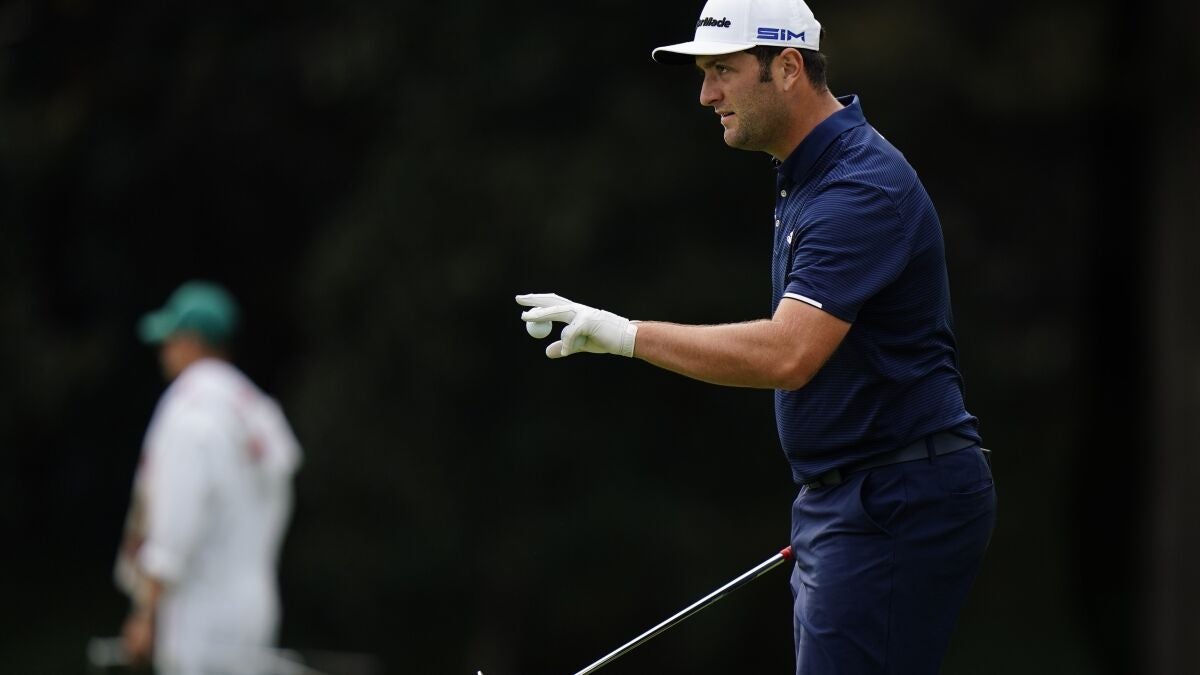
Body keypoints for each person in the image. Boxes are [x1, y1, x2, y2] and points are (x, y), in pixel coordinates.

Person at [515, 0, 995, 673]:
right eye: (705, 74)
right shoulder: (807, 175)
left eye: (723, 71)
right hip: (849, 495)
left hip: (892, 500)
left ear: (789, 67)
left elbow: (787, 353)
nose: (707, 95)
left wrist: (626, 334)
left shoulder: (859, 188)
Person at [115, 280, 301, 674]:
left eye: (170, 340)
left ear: (193, 342)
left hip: (198, 614)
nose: (164, 351)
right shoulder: (256, 411)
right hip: (256, 607)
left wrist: (145, 612)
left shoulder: (190, 411)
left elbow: (174, 529)